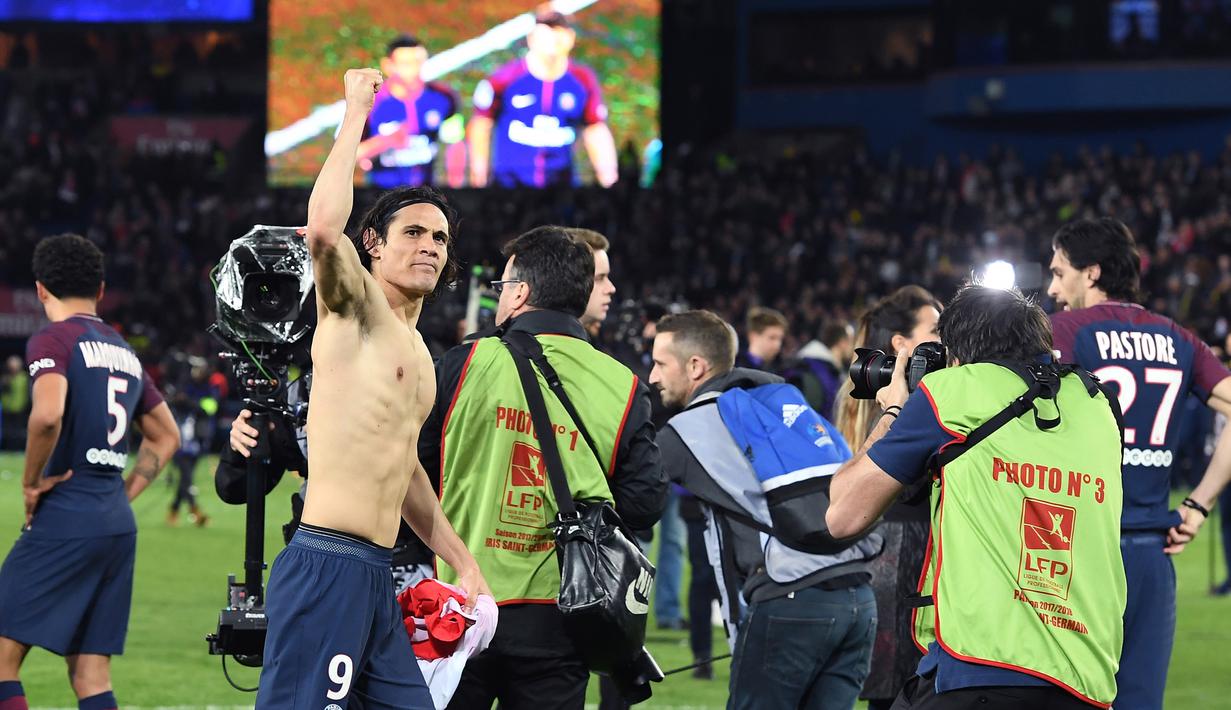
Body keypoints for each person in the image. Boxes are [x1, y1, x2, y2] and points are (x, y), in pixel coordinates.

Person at [251, 68, 490, 709]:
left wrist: (461, 561)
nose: (430, 247)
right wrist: (355, 109)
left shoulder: (421, 355)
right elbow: (323, 232)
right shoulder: (353, 309)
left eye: (440, 238)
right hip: (326, 562)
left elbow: (405, 469)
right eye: (413, 233)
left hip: (376, 575)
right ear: (373, 247)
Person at [827, 285, 1128, 709]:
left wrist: (894, 408)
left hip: (982, 667)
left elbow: (842, 514)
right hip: (1087, 678)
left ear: (956, 356)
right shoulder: (1098, 402)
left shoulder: (954, 392)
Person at [420, 225, 664, 710]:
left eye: (504, 286)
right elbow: (644, 504)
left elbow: (417, 474)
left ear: (522, 292)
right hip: (563, 613)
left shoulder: (463, 363)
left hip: (460, 604)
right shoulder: (623, 385)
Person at [651, 310, 880, 710]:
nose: (653, 377)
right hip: (859, 596)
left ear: (695, 366)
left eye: (659, 364)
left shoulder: (691, 427)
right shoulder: (780, 397)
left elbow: (631, 496)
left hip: (791, 598)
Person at [1046, 217, 1231, 709]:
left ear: (1091, 273)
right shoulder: (1178, 338)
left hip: (1075, 551)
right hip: (1149, 553)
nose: (1052, 288)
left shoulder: (1062, 332)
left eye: (1059, 272)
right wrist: (1198, 504)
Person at [0, 234, 180, 710]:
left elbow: (46, 416)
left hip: (66, 514)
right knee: (90, 673)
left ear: (41, 290)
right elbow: (167, 437)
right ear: (100, 290)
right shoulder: (122, 349)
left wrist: (31, 482)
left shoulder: (53, 339)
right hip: (115, 522)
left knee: (1, 659)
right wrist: (122, 493)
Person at [831, 286, 942, 710]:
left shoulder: (858, 390)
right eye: (935, 329)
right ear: (901, 343)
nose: (944, 338)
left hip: (872, 553)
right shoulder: (901, 402)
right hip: (906, 558)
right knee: (908, 691)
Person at [468, 5, 618, 188]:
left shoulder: (582, 80)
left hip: (562, 188)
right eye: (546, 31)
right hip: (510, 187)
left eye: (559, 31)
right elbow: (482, 124)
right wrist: (479, 176)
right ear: (531, 39)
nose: (553, 37)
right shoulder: (505, 78)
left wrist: (609, 181)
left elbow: (595, 129)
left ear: (571, 38)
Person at [357, 34, 465, 189]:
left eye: (418, 62)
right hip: (382, 196)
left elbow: (455, 142)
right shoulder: (370, 102)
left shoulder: (444, 99)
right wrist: (385, 141)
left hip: (427, 196)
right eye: (406, 64)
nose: (414, 70)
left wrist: (455, 185)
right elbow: (347, 154)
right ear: (388, 65)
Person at [790, 319, 855, 420]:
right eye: (852, 341)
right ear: (842, 343)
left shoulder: (833, 371)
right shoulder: (819, 370)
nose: (854, 347)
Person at [736, 306, 787, 371]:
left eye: (780, 339)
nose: (778, 344)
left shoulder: (781, 369)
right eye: (772, 338)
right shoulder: (736, 369)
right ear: (753, 336)